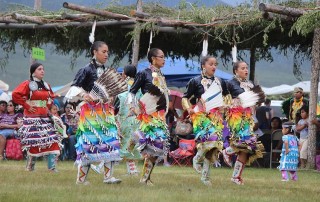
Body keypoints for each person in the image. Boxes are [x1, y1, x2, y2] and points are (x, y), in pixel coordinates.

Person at [65, 41, 122, 185]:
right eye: (103, 51)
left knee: (110, 141)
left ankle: (108, 177)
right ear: (94, 52)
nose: (106, 54)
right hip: (91, 112)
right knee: (89, 143)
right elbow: (74, 87)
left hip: (106, 112)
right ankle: (81, 180)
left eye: (107, 52)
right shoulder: (86, 70)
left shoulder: (106, 70)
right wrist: (84, 95)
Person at [182, 55, 227, 185]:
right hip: (201, 116)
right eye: (211, 64)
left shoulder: (220, 82)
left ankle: (205, 177)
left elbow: (226, 96)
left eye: (215, 64)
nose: (214, 67)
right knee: (211, 140)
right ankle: (197, 158)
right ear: (203, 66)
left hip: (216, 116)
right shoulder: (195, 81)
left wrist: (225, 105)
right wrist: (188, 108)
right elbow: (185, 97)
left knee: (214, 148)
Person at [128, 48, 170, 185]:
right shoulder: (143, 73)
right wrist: (132, 106)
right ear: (153, 58)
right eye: (161, 57)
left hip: (159, 115)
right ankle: (144, 179)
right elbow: (132, 91)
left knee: (157, 149)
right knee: (154, 148)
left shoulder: (161, 75)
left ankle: (145, 179)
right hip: (148, 114)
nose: (164, 59)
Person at [12, 63, 62, 172]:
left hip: (45, 118)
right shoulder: (28, 84)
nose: (42, 71)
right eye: (39, 69)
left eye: (43, 69)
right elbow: (15, 94)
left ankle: (52, 167)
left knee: (52, 140)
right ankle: (30, 166)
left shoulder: (46, 85)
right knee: (34, 142)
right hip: (32, 119)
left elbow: (50, 98)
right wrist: (26, 106)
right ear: (33, 72)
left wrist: (47, 107)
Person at [222, 61, 264, 185]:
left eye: (247, 68)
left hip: (248, 118)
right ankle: (228, 151)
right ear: (236, 71)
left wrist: (257, 100)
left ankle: (236, 177)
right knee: (245, 144)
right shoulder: (230, 83)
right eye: (243, 68)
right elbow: (224, 100)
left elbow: (256, 101)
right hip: (236, 117)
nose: (246, 70)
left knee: (246, 148)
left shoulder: (250, 84)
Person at [116, 64, 142, 175]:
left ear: (125, 74)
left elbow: (119, 105)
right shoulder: (139, 86)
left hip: (125, 120)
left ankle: (132, 169)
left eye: (122, 73)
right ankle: (132, 169)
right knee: (132, 143)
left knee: (126, 143)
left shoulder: (122, 87)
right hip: (138, 119)